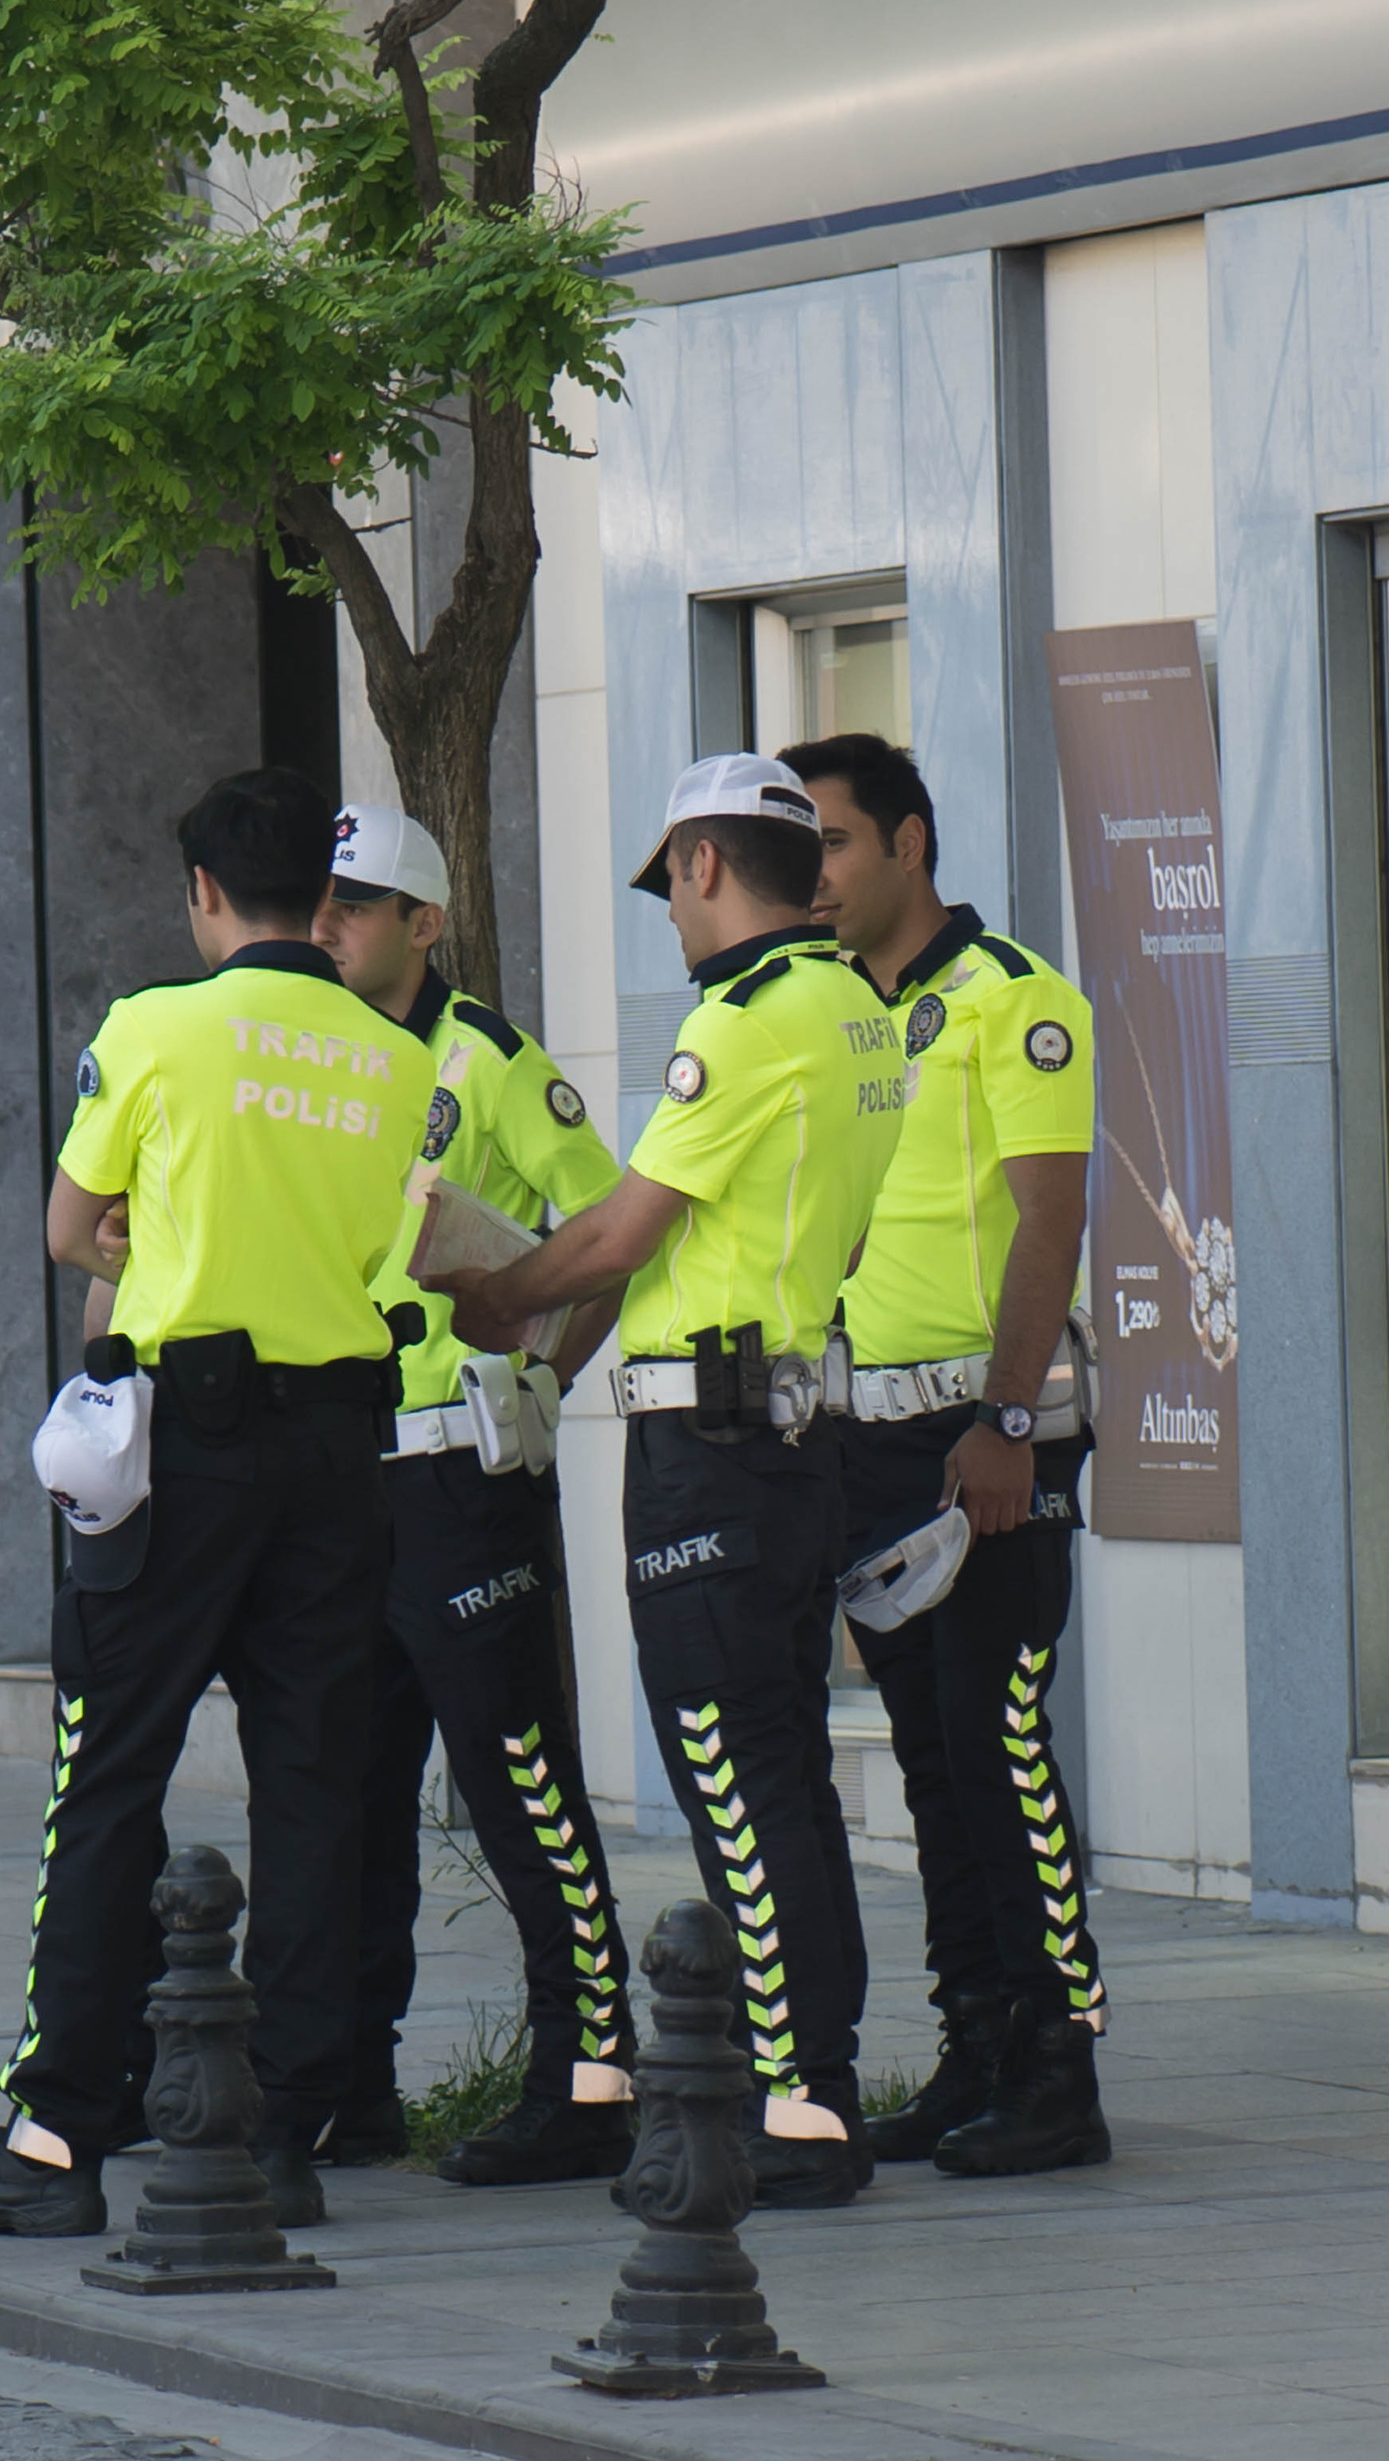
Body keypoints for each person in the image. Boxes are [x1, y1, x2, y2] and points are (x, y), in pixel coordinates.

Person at [0, 768, 435, 2242]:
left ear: (204, 895)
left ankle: (63, 2130)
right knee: (318, 1787)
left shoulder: (154, 1029)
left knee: (111, 1770)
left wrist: (151, 1230)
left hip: (184, 1452)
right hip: (339, 1451)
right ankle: (278, 2131)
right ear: (325, 902)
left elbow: (76, 1227)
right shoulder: (394, 1057)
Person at [442, 753, 904, 2210]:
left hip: (711, 1444)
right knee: (785, 1771)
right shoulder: (859, 1011)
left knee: (730, 1765)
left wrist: (504, 1292)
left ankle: (794, 2105)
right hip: (791, 1429)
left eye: (669, 889)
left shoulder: (749, 1020)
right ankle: (813, 2079)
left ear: (705, 866)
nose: (669, 918)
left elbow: (625, 1229)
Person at [784, 733, 1109, 2176]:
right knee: (926, 1761)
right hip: (863, 1435)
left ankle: (1059, 2070)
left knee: (1000, 1748)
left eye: (834, 846)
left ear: (909, 842)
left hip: (987, 1434)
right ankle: (978, 2045)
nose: (816, 880)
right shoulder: (829, 1015)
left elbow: (1051, 1220)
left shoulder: (1014, 1001)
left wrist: (1012, 1419)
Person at [306, 802, 637, 2187]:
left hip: (459, 1467)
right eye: (317, 905)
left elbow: (609, 1231)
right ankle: (351, 2079)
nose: (325, 928)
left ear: (423, 923)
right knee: (350, 1787)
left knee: (517, 1777)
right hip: (339, 1468)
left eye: (355, 905)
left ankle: (592, 2071)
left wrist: (544, 1376)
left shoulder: (488, 1060)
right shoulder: (308, 1061)